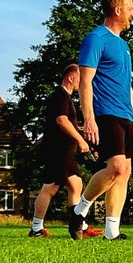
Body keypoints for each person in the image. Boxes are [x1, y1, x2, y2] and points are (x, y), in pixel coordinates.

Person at [68, 0, 133, 241]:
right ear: (117, 10)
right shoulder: (96, 38)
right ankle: (79, 210)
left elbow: (127, 85)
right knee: (115, 167)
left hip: (127, 116)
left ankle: (112, 231)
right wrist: (89, 118)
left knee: (124, 172)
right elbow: (85, 81)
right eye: (130, 8)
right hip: (106, 113)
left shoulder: (123, 45)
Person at [29, 63, 102, 239]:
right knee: (55, 187)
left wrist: (81, 130)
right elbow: (61, 121)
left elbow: (66, 122)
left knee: (69, 185)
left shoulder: (64, 97)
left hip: (61, 150)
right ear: (70, 78)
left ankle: (74, 225)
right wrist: (80, 140)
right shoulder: (60, 96)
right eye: (79, 78)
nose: (82, 82)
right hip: (59, 149)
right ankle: (49, 227)